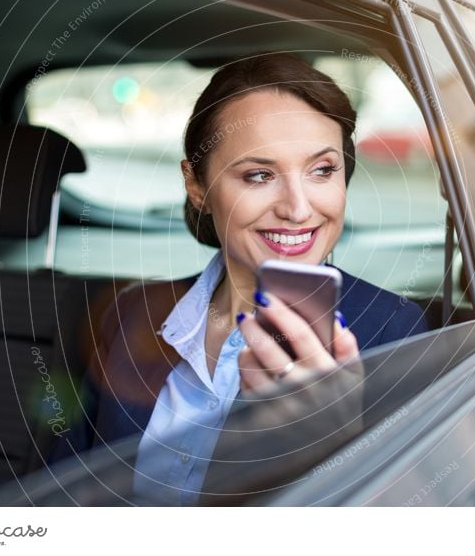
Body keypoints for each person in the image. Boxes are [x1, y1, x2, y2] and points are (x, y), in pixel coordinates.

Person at [48, 53, 428, 504]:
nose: (299, 208)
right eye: (258, 175)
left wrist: (338, 449)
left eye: (323, 170)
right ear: (197, 187)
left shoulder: (394, 331)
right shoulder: (129, 313)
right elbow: (62, 488)